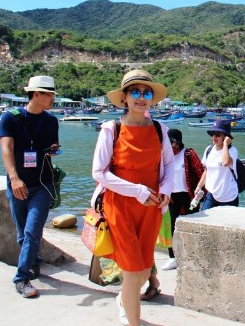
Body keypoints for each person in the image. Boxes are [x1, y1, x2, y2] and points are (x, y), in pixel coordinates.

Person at [92, 69, 174, 326]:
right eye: (135, 92)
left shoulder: (160, 129)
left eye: (147, 93)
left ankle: (124, 300)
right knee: (132, 270)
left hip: (151, 207)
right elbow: (99, 172)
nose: (141, 97)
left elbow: (169, 165)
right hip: (120, 206)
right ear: (124, 97)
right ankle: (133, 320)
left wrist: (166, 190)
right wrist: (137, 191)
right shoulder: (111, 129)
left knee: (144, 269)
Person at [0, 75, 60, 298]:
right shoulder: (11, 118)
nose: (53, 98)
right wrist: (14, 178)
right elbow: (6, 149)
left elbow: (53, 146)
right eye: (49, 94)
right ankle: (33, 262)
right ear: (36, 94)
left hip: (43, 183)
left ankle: (21, 278)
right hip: (18, 183)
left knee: (33, 231)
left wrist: (53, 150)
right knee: (23, 233)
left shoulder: (51, 121)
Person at [142, 128, 204, 294]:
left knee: (192, 226)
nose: (170, 146)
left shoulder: (188, 154)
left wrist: (201, 193)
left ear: (178, 142)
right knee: (171, 228)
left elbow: (200, 173)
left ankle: (193, 255)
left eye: (172, 143)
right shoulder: (164, 157)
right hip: (171, 196)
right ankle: (173, 257)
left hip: (188, 195)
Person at [195, 120, 240, 210]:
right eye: (212, 134)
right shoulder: (209, 149)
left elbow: (226, 163)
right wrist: (199, 186)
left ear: (225, 136)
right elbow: (207, 170)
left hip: (228, 197)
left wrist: (225, 144)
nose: (214, 137)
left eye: (218, 134)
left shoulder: (232, 151)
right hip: (211, 194)